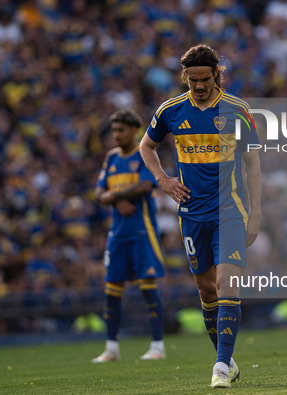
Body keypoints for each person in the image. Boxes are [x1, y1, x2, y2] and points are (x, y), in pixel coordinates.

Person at [139, 44, 261, 388]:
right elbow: (145, 146)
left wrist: (256, 213)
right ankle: (228, 359)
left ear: (216, 75)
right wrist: (162, 180)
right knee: (207, 291)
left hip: (230, 211)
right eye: (192, 80)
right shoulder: (171, 111)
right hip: (192, 213)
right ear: (185, 78)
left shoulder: (237, 110)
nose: (199, 86)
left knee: (227, 284)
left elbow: (252, 163)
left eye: (205, 79)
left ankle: (220, 366)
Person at [92, 109, 166, 362]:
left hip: (142, 233)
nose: (116, 135)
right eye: (114, 131)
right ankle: (111, 348)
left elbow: (146, 185)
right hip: (117, 235)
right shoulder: (111, 158)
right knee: (111, 291)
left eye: (121, 130)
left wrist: (114, 196)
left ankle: (158, 346)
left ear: (135, 130)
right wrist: (117, 199)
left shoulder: (143, 155)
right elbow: (98, 194)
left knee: (147, 289)